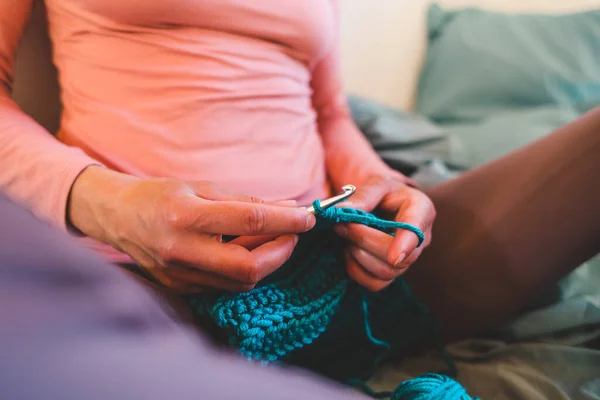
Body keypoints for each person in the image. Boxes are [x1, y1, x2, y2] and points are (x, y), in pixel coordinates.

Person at [0, 0, 599, 347]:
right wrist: (108, 203)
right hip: (142, 279)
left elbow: (330, 115)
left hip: (343, 274)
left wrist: (385, 187)